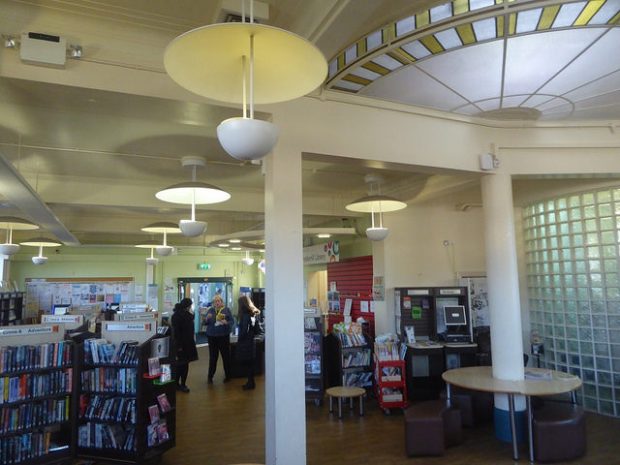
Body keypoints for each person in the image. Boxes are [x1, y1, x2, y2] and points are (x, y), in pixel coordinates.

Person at [171, 297, 198, 393]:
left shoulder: (175, 315)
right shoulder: (187, 316)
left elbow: (176, 332)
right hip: (186, 344)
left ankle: (176, 384)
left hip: (179, 344)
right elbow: (184, 332)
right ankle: (183, 384)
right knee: (184, 365)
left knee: (179, 365)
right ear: (188, 306)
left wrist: (178, 346)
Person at [204, 294, 233, 383]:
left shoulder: (226, 310)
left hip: (223, 336)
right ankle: (210, 376)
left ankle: (228, 375)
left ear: (221, 302)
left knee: (225, 356)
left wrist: (226, 322)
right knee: (213, 357)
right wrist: (206, 319)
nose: (216, 303)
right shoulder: (210, 310)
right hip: (212, 336)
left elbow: (232, 321)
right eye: (215, 301)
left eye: (218, 301)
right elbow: (205, 323)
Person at [236, 295, 261, 390]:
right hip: (250, 341)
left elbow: (244, 330)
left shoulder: (245, 315)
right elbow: (255, 329)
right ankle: (251, 382)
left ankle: (250, 383)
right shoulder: (252, 314)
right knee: (250, 363)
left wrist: (240, 338)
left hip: (245, 342)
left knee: (247, 364)